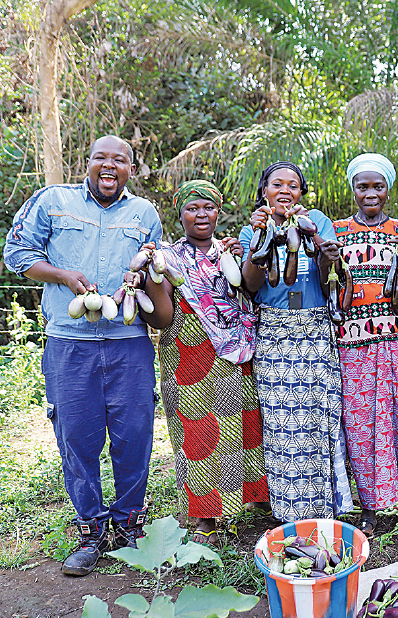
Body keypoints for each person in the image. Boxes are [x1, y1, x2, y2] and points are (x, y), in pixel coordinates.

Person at [4, 135, 162, 575]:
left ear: (131, 169)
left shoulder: (144, 214)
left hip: (129, 343)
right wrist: (61, 275)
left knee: (134, 436)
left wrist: (133, 284)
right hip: (69, 342)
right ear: (87, 163)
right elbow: (17, 252)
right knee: (76, 437)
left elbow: (153, 273)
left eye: (120, 160)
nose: (109, 166)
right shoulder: (52, 201)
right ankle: (91, 531)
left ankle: (130, 525)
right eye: (101, 158)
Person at [138, 180, 268, 546]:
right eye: (192, 208)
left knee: (244, 429)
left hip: (234, 359)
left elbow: (249, 289)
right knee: (199, 435)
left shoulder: (230, 251)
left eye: (208, 207)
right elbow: (161, 318)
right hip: (188, 358)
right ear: (179, 214)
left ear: (218, 212)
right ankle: (205, 515)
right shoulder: (167, 257)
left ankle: (254, 499)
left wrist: (247, 256)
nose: (200, 215)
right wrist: (152, 274)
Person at [332, 154, 398, 546]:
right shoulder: (337, 231)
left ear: (388, 189)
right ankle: (370, 509)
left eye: (378, 186)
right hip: (354, 344)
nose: (371, 193)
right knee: (361, 427)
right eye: (363, 186)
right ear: (353, 189)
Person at [238, 162, 353, 522]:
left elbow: (327, 277)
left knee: (322, 414)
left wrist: (317, 242)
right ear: (264, 191)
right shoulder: (252, 229)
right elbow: (250, 285)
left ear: (301, 192)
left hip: (316, 328)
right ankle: (289, 510)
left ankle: (325, 507)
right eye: (277, 184)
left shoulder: (316, 220)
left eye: (293, 185)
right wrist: (263, 235)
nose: (285, 190)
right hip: (274, 333)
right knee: (282, 421)